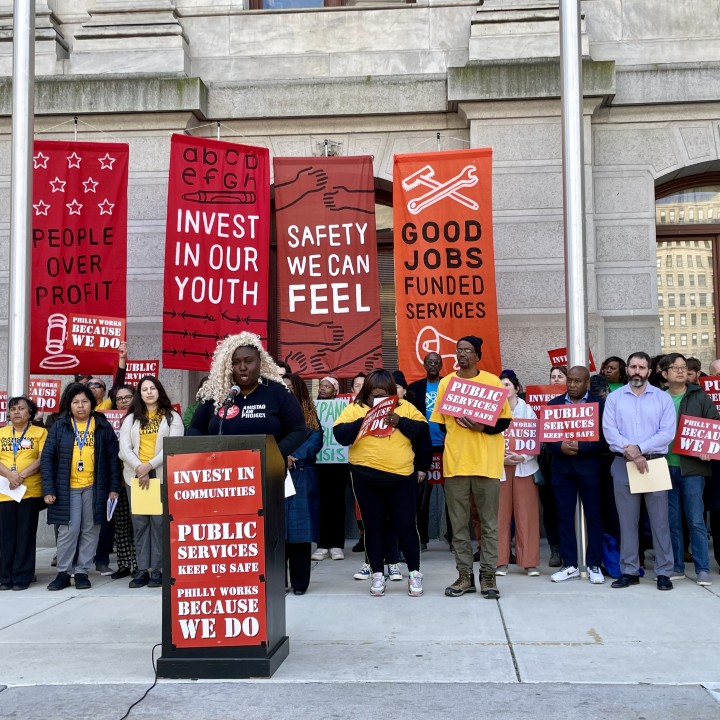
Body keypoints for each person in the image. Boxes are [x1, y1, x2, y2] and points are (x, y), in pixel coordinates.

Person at [334, 369, 429, 597]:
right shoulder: (356, 409)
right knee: (373, 526)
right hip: (365, 478)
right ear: (366, 393)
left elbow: (422, 431)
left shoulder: (404, 408)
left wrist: (399, 421)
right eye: (374, 395)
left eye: (384, 395)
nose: (379, 399)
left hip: (401, 478)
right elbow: (340, 434)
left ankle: (414, 573)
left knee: (406, 525)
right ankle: (377, 574)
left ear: (392, 394)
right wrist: (366, 419)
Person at [431, 336, 511, 599]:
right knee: (459, 525)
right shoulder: (446, 383)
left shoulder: (491, 382)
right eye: (459, 350)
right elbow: (442, 423)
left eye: (467, 350)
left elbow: (503, 422)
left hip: (486, 464)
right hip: (456, 464)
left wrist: (481, 427)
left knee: (488, 524)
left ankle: (488, 576)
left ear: (477, 355)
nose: (462, 354)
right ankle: (464, 575)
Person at [602, 352, 676, 590]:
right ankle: (629, 570)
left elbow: (667, 433)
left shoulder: (662, 399)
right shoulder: (615, 399)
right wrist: (631, 453)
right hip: (623, 464)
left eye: (641, 367)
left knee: (660, 521)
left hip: (653, 463)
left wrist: (640, 449)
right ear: (628, 370)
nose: (637, 371)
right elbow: (610, 432)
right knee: (627, 521)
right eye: (633, 366)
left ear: (649, 371)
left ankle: (664, 572)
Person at [42, 383, 121, 591]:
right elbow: (48, 458)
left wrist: (114, 487)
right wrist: (48, 489)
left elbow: (113, 459)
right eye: (76, 402)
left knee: (91, 528)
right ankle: (63, 572)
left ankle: (82, 571)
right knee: (69, 529)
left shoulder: (102, 425)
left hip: (95, 487)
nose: (80, 406)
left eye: (85, 401)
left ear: (92, 403)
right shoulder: (60, 425)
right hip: (67, 488)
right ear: (69, 404)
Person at [188, 332, 306, 460]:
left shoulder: (278, 391)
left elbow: (298, 430)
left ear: (260, 361)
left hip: (267, 473)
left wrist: (274, 454)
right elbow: (195, 429)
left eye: (249, 361)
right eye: (235, 362)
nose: (242, 367)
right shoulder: (217, 394)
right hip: (221, 472)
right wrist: (206, 454)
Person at [119, 376, 184, 589]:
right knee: (139, 523)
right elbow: (124, 449)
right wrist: (140, 467)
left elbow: (173, 446)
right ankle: (141, 569)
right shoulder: (131, 418)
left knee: (158, 524)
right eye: (144, 389)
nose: (149, 392)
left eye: (152, 388)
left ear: (159, 391)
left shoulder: (171, 416)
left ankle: (157, 569)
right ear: (140, 393)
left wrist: (149, 466)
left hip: (161, 474)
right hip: (136, 477)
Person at [546, 366, 606, 585]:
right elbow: (547, 437)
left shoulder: (599, 405)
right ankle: (569, 563)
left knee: (594, 516)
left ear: (587, 383)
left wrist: (583, 447)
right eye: (569, 380)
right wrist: (558, 446)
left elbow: (604, 438)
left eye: (577, 381)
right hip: (562, 469)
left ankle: (594, 564)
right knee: (563, 516)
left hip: (589, 468)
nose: (571, 385)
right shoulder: (554, 405)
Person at [659, 353, 716, 586]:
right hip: (664, 467)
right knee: (672, 520)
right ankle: (677, 566)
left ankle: (703, 568)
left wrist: (708, 447)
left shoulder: (700, 396)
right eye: (675, 368)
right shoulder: (658, 399)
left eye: (684, 367)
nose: (681, 371)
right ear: (664, 374)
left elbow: (715, 424)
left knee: (695, 520)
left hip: (693, 468)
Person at [0, 396, 47, 591]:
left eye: (21, 408)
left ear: (30, 413)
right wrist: (10, 476)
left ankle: (22, 577)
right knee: (5, 535)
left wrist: (21, 476)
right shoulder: (1, 432)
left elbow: (42, 458)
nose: (16, 412)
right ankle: (4, 576)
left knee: (25, 534)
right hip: (4, 491)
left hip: (29, 491)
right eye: (13, 409)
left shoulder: (40, 432)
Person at [496, 373, 540, 577]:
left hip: (524, 467)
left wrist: (523, 455)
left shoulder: (527, 410)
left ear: (516, 387)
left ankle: (529, 561)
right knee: (499, 515)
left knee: (526, 515)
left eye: (507, 385)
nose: (503, 388)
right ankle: (500, 561)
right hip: (500, 467)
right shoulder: (493, 411)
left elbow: (535, 438)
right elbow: (486, 440)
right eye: (500, 385)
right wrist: (501, 458)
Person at [282, 373, 322, 595]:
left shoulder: (309, 414)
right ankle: (279, 582)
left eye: (290, 386)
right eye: (282, 387)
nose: (286, 390)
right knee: (277, 533)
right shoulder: (272, 412)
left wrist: (292, 456)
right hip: (275, 474)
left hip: (301, 475)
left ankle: (299, 583)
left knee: (299, 534)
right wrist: (281, 456)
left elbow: (316, 440)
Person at [408, 352, 445, 551]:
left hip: (446, 446)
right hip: (423, 449)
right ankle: (422, 538)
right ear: (424, 364)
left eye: (436, 362)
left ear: (441, 365)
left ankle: (453, 538)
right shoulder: (414, 389)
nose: (433, 365)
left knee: (453, 496)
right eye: (429, 362)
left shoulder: (449, 385)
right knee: (422, 496)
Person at [313, 375, 351, 563]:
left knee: (337, 503)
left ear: (335, 391)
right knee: (321, 502)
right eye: (321, 386)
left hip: (338, 463)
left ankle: (337, 545)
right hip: (319, 463)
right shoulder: (312, 408)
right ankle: (322, 544)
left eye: (327, 386)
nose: (323, 389)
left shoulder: (343, 408)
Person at [539, 366, 567, 567]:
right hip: (546, 460)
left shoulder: (572, 402)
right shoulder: (538, 399)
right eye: (553, 376)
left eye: (560, 376)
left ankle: (570, 547)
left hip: (569, 458)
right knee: (550, 507)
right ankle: (555, 548)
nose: (556, 379)